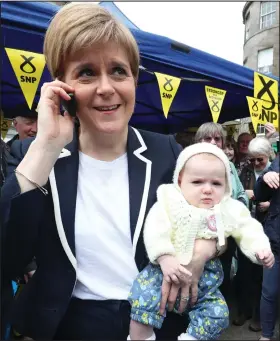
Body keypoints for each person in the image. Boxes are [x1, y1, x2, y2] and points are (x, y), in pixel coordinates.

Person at [0, 3, 219, 340]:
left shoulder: (167, 151)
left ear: (133, 79)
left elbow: (218, 217)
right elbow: (8, 258)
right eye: (86, 72)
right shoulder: (35, 154)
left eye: (118, 71)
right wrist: (46, 147)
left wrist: (205, 251)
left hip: (154, 320)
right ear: (62, 86)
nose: (106, 87)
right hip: (69, 324)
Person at [128, 142, 274, 341]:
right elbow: (155, 226)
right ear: (180, 181)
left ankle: (192, 337)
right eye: (197, 182)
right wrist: (163, 256)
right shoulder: (171, 201)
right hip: (163, 272)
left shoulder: (228, 207)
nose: (207, 190)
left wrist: (260, 249)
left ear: (227, 184)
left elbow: (248, 228)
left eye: (216, 183)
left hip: (207, 280)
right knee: (143, 299)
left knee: (218, 314)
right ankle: (141, 337)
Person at [194, 122, 248, 302]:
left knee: (223, 275)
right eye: (208, 138)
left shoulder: (229, 167)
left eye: (218, 139)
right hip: (201, 235)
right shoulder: (190, 165)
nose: (214, 142)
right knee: (200, 277)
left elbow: (241, 194)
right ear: (199, 141)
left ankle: (219, 314)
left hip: (226, 233)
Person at [233, 137, 273, 330]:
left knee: (261, 275)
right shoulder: (244, 171)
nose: (256, 163)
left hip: (268, 230)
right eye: (252, 159)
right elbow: (237, 193)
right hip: (246, 228)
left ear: (268, 157)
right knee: (243, 273)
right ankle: (244, 311)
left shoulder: (275, 171)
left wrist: (270, 204)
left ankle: (258, 315)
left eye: (260, 160)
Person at [254, 155, 280, 341]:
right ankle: (266, 335)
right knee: (269, 292)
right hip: (276, 239)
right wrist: (264, 178)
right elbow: (260, 194)